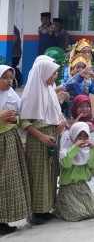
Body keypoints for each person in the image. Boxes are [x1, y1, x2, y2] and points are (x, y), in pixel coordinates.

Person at [20, 57, 66, 225]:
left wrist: (63, 121)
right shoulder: (31, 94)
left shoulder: (48, 92)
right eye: (52, 73)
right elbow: (24, 122)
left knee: (50, 173)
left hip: (52, 136)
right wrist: (42, 136)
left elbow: (56, 113)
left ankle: (47, 208)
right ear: (43, 73)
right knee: (38, 174)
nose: (54, 77)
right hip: (39, 139)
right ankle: (36, 212)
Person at [0, 65, 31, 235]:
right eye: (4, 77)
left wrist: (14, 119)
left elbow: (20, 120)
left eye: (11, 78)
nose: (9, 81)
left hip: (10, 142)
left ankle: (4, 219)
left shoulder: (12, 96)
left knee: (8, 182)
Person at [54, 122, 94, 221]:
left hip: (82, 187)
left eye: (85, 135)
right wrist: (74, 148)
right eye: (79, 135)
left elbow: (93, 165)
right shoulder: (66, 150)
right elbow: (66, 164)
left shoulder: (88, 151)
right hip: (68, 188)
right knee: (79, 214)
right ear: (73, 135)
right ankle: (61, 208)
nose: (82, 138)